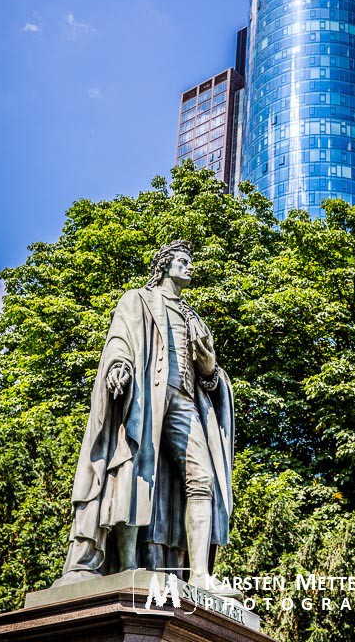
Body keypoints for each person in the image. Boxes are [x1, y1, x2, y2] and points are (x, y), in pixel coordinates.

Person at [53, 240, 237, 597]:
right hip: (146, 395)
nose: (189, 267)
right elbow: (120, 339)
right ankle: (127, 565)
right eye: (183, 261)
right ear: (165, 264)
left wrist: (211, 370)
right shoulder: (137, 299)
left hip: (185, 400)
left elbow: (210, 377)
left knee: (203, 478)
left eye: (190, 262)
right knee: (137, 472)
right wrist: (119, 366)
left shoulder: (194, 317)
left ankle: (199, 575)